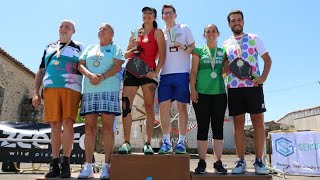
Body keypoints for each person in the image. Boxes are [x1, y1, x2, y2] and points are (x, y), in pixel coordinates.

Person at [32, 20, 84, 178]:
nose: (64, 28)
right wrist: (36, 92)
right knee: (55, 125)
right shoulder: (49, 47)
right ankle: (54, 163)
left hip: (72, 87)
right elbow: (41, 70)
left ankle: (66, 164)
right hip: (50, 89)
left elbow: (85, 67)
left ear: (73, 31)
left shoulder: (80, 47)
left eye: (68, 26)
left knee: (68, 122)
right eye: (61, 26)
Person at [223, 10, 272, 175]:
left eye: (239, 20)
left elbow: (267, 60)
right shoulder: (225, 44)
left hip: (253, 86)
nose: (236, 22)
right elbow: (224, 68)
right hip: (234, 88)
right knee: (238, 124)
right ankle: (241, 160)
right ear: (229, 24)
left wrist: (263, 77)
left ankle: (259, 161)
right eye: (233, 20)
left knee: (258, 121)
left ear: (243, 22)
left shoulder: (254, 38)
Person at [77, 23, 125, 179]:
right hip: (90, 90)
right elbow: (80, 65)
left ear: (112, 33)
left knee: (107, 128)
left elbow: (118, 66)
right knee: (89, 128)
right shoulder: (90, 48)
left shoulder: (116, 48)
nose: (100, 30)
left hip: (109, 90)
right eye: (99, 28)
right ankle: (88, 166)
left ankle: (107, 166)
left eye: (104, 28)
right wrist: (90, 75)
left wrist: (102, 76)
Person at [118, 6, 166, 155]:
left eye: (150, 13)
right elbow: (125, 55)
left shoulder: (157, 32)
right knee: (126, 106)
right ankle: (126, 143)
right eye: (144, 13)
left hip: (148, 73)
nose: (147, 15)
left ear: (155, 17)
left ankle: (148, 143)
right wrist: (131, 48)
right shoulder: (134, 32)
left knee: (149, 107)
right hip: (131, 71)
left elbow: (163, 54)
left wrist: (156, 72)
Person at [190, 24, 228, 174]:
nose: (211, 33)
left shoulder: (224, 52)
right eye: (208, 31)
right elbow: (193, 72)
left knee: (218, 128)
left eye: (213, 31)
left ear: (218, 34)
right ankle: (202, 162)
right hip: (201, 94)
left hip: (219, 93)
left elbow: (226, 71)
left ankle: (218, 162)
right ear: (204, 35)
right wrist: (192, 89)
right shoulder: (198, 51)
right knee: (203, 127)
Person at [158, 4, 195, 154]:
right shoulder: (160, 33)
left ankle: (181, 142)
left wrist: (182, 46)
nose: (168, 16)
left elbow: (193, 48)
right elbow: (157, 53)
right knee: (163, 108)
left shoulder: (184, 28)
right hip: (165, 74)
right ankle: (166, 142)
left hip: (181, 73)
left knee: (182, 108)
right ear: (162, 17)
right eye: (165, 14)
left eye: (170, 13)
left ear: (175, 15)